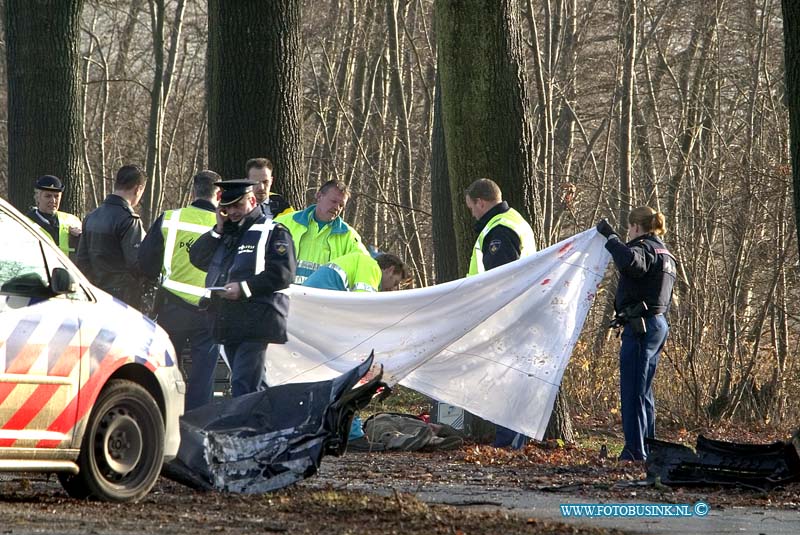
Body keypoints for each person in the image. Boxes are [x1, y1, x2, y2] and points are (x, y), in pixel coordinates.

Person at [189, 179, 296, 397]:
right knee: (252, 384)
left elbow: (283, 273)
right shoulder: (226, 233)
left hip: (257, 319)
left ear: (253, 200)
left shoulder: (274, 231)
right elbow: (198, 257)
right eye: (228, 208)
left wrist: (244, 288)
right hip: (229, 320)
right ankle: (271, 425)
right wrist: (218, 229)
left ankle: (247, 430)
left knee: (243, 384)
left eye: (238, 205)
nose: (233, 212)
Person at [596, 207, 676, 462]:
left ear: (637, 227)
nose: (628, 233)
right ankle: (649, 446)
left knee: (633, 392)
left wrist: (610, 237)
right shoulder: (666, 253)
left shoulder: (645, 248)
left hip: (641, 328)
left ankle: (635, 451)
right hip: (657, 324)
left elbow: (631, 262)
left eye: (629, 228)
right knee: (644, 391)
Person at [138, 170, 222, 411]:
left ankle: (163, 413)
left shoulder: (170, 218)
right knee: (203, 376)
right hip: (208, 310)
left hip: (171, 308)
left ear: (194, 191)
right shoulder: (224, 225)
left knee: (165, 368)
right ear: (219, 193)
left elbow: (145, 261)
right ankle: (196, 423)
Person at [465, 178, 536, 449]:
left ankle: (509, 441)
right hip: (517, 314)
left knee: (507, 379)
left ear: (481, 202)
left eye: (472, 207)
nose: (472, 213)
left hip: (508, 316)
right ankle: (509, 439)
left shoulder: (500, 230)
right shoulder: (513, 220)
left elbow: (501, 281)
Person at [76, 165, 147, 307]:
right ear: (138, 189)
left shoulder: (91, 217)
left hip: (94, 293)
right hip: (122, 297)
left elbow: (82, 261)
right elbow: (136, 263)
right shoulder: (129, 220)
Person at [275, 179, 368, 284]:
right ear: (319, 196)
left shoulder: (349, 236)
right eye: (333, 201)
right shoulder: (284, 223)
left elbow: (365, 266)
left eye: (341, 205)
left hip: (322, 299)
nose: (337, 208)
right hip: (286, 295)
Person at [25, 175, 82, 260]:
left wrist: (80, 237)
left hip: (67, 271)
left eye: (56, 196)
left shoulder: (72, 220)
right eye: (48, 196)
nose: (53, 200)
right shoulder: (25, 223)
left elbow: (86, 250)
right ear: (37, 197)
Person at [303, 252, 409, 292]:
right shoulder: (371, 267)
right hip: (317, 299)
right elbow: (363, 304)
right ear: (390, 270)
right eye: (395, 283)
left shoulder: (360, 262)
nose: (392, 289)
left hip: (311, 297)